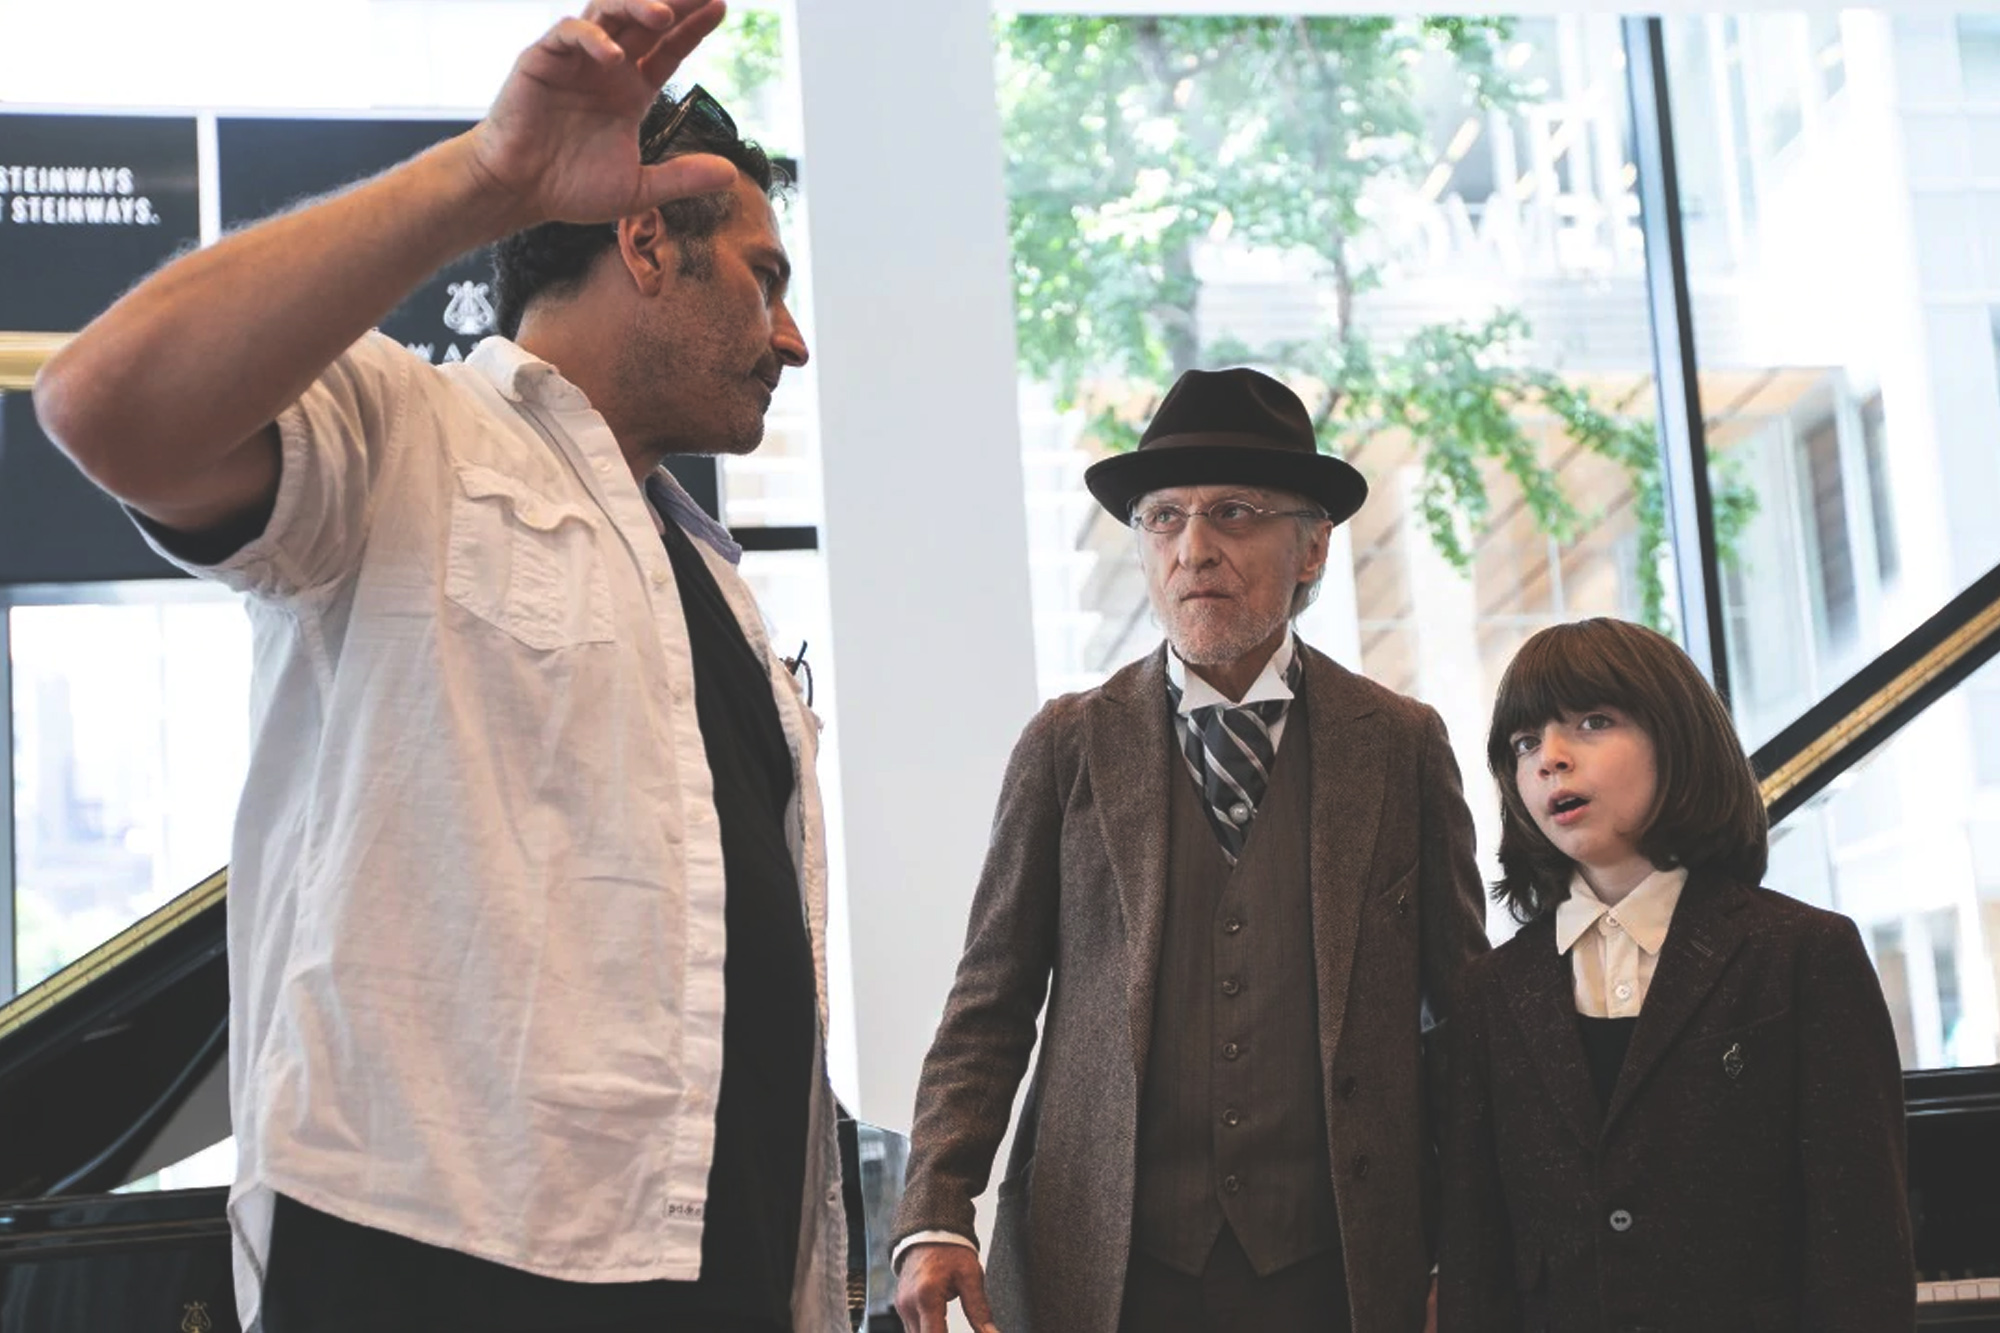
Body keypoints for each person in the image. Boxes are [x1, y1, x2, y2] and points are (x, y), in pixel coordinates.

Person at [32, 6, 846, 1331]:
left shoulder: (715, 588)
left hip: (715, 1272)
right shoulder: (412, 432)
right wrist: (484, 177)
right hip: (437, 1267)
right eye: (766, 278)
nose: (791, 338)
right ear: (645, 242)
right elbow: (102, 403)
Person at [891, 367, 1488, 1333]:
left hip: (1339, 1271)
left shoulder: (1400, 744)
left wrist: (1467, 1248)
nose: (1194, 548)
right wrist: (934, 1209)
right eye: (1164, 517)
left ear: (1312, 546)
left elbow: (1459, 1020)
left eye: (1234, 513)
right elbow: (988, 1002)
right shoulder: (1067, 744)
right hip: (1107, 1269)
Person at [1439, 618, 1914, 1331]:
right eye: (1525, 742)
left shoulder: (1805, 954)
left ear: (1677, 738)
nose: (1550, 759)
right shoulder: (1490, 992)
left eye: (1593, 722)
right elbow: (1476, 1268)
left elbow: (1863, 1255)